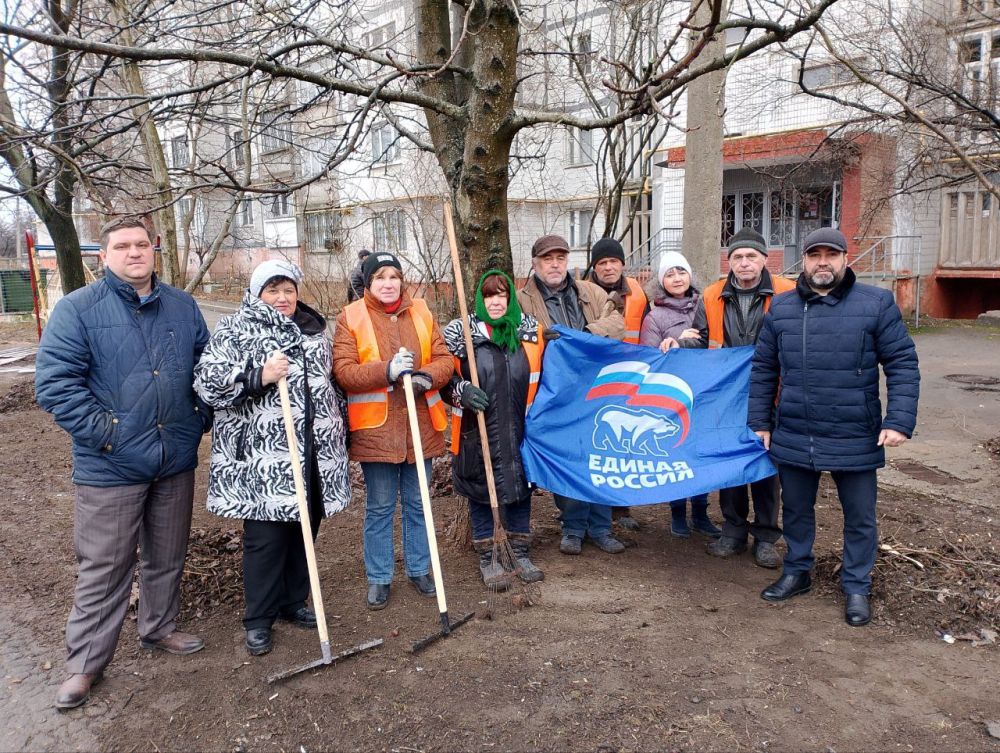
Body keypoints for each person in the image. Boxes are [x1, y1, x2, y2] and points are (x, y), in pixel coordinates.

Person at [35, 216, 209, 710]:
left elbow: (206, 368)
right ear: (104, 256)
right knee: (105, 568)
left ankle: (158, 627)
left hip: (173, 458)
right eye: (122, 246)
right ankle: (85, 664)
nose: (134, 252)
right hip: (109, 467)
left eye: (141, 244)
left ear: (154, 249)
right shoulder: (77, 310)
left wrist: (197, 420)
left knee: (167, 555)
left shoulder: (181, 305)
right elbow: (55, 386)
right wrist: (108, 436)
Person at [748, 227, 919, 626]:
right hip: (794, 429)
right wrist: (760, 420)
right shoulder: (783, 309)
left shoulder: (876, 304)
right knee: (797, 510)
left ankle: (857, 587)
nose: (822, 262)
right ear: (803, 261)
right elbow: (764, 370)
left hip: (854, 432)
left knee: (859, 517)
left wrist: (899, 420)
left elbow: (902, 364)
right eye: (814, 255)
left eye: (831, 254)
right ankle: (797, 571)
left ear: (845, 259)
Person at [193, 260, 351, 656]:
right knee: (266, 539)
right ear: (257, 293)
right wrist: (257, 375)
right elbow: (206, 383)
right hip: (268, 458)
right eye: (272, 290)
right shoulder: (236, 329)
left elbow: (331, 384)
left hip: (316, 451)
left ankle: (292, 602)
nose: (282, 298)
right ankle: (258, 618)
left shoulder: (314, 329)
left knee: (305, 530)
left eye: (288, 289)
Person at [333, 251, 454, 610]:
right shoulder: (351, 317)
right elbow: (344, 371)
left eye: (394, 276)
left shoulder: (421, 312)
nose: (388, 283)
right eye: (380, 277)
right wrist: (386, 370)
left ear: (402, 281)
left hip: (420, 427)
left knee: (419, 505)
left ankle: (419, 569)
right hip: (377, 431)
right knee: (380, 507)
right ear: (368, 283)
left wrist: (425, 377)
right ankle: (380, 577)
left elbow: (445, 358)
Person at [677, 227, 796, 568]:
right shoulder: (713, 294)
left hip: (772, 393)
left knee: (764, 465)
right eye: (737, 257)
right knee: (728, 462)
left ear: (764, 259)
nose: (744, 263)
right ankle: (732, 530)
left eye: (751, 256)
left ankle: (766, 536)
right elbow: (702, 339)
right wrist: (679, 343)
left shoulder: (787, 292)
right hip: (726, 396)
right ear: (729, 262)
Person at [516, 233, 627, 556]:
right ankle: (574, 526)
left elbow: (616, 323)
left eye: (560, 258)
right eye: (547, 259)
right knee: (569, 456)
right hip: (552, 390)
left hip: (594, 387)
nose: (555, 264)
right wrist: (542, 337)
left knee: (599, 453)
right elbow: (514, 331)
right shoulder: (523, 299)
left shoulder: (591, 291)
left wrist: (582, 336)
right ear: (535, 264)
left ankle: (602, 526)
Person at [442, 270, 545, 586]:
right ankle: (488, 558)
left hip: (520, 427)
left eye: (501, 295)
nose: (496, 302)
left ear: (510, 297)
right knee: (480, 491)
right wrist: (462, 392)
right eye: (489, 296)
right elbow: (443, 378)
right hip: (477, 431)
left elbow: (548, 375)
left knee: (520, 488)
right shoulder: (462, 336)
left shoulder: (530, 333)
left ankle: (520, 552)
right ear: (480, 300)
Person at [639, 251, 722, 540]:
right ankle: (677, 512)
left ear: (690, 276)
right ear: (662, 281)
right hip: (674, 395)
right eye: (670, 274)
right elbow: (649, 358)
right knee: (678, 452)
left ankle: (701, 512)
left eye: (681, 272)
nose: (677, 278)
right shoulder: (655, 316)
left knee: (702, 453)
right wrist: (670, 345)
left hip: (706, 392)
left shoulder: (708, 304)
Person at [583, 236, 649, 531]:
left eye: (613, 261)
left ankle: (621, 507)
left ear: (622, 263)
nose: (608, 267)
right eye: (602, 263)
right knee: (595, 441)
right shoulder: (582, 292)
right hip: (592, 377)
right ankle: (589, 503)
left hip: (630, 375)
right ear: (594, 267)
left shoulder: (638, 292)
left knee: (624, 447)